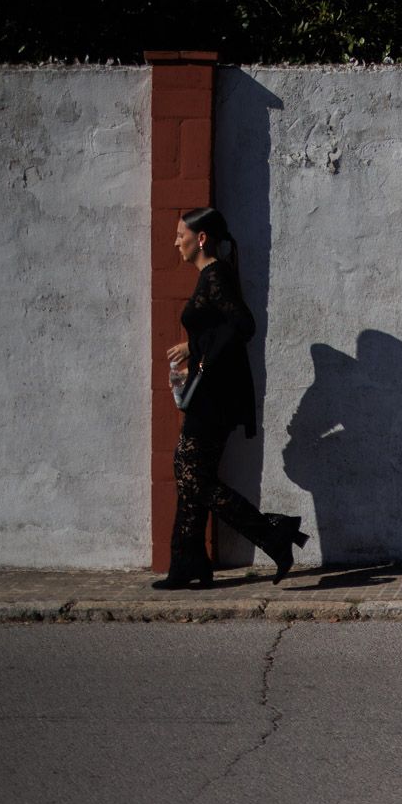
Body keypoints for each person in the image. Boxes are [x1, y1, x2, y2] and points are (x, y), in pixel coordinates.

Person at [156, 207, 305, 589]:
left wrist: (203, 362)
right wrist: (193, 350)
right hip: (211, 391)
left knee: (193, 475)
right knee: (191, 475)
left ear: (200, 238)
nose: (176, 242)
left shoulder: (216, 275)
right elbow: (216, 326)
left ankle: (272, 532)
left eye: (180, 236)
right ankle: (188, 564)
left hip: (215, 396)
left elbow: (242, 324)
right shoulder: (210, 277)